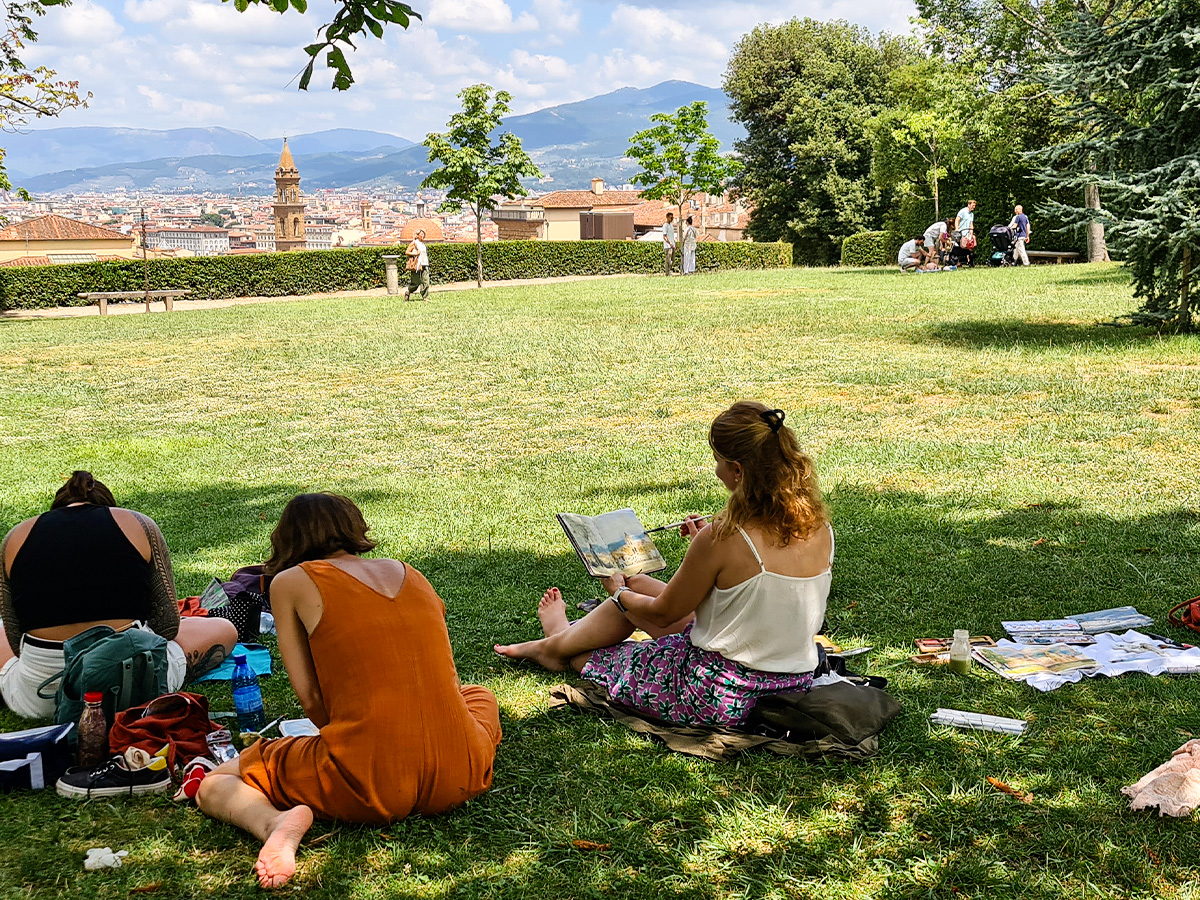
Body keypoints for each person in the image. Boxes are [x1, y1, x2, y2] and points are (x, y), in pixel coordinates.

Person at [197, 493, 501, 890]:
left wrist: (342, 735)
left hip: (369, 782)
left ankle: (275, 823)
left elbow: (311, 698)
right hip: (461, 770)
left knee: (214, 784)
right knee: (479, 696)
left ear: (285, 539)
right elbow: (447, 680)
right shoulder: (410, 572)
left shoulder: (290, 582)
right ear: (354, 527)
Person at [495, 401, 833, 729]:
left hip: (720, 695)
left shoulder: (722, 538)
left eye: (717, 461)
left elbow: (663, 614)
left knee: (587, 656)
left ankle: (553, 645)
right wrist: (693, 552)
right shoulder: (820, 528)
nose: (716, 471)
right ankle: (562, 637)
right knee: (639, 585)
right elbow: (752, 592)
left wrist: (618, 593)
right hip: (792, 682)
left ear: (738, 470)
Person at [0, 471, 237, 720]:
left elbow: (16, 643)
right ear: (109, 507)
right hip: (132, 682)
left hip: (43, 694)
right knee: (223, 628)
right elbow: (167, 627)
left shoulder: (15, 536)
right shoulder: (138, 524)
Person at [403, 229, 430, 301]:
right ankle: (408, 292)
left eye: (423, 234)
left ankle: (425, 297)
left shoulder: (423, 244)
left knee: (426, 281)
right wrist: (416, 254)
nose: (423, 236)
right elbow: (407, 252)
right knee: (415, 282)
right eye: (421, 234)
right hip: (417, 265)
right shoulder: (414, 243)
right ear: (417, 236)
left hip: (425, 263)